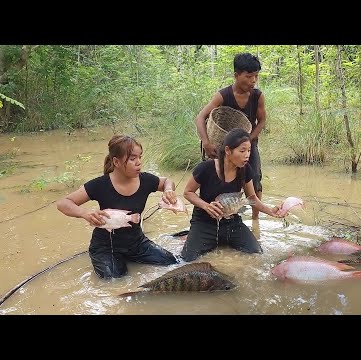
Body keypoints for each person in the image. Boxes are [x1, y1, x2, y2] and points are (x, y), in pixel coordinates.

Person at [56, 135, 179, 279]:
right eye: (133, 159)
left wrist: (168, 190)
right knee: (115, 281)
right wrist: (85, 213)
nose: (139, 163)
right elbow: (63, 203)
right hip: (106, 248)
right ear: (116, 161)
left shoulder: (145, 180)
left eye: (140, 157)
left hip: (137, 243)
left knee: (172, 263)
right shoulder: (100, 185)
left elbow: (167, 181)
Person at [180, 128, 284, 262]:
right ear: (228, 151)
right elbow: (187, 192)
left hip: (232, 223)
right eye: (242, 151)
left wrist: (271, 211)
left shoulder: (245, 169)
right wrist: (206, 206)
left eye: (249, 150)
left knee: (256, 254)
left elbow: (252, 198)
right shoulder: (205, 168)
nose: (247, 155)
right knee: (187, 259)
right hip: (204, 223)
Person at [195, 52, 265, 220]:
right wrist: (206, 142)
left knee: (255, 181)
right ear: (236, 75)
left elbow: (262, 121)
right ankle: (213, 216)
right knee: (214, 182)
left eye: (256, 76)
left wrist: (249, 140)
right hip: (222, 146)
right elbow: (200, 118)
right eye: (248, 76)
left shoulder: (257, 96)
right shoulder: (223, 95)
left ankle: (256, 222)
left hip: (248, 144)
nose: (253, 81)